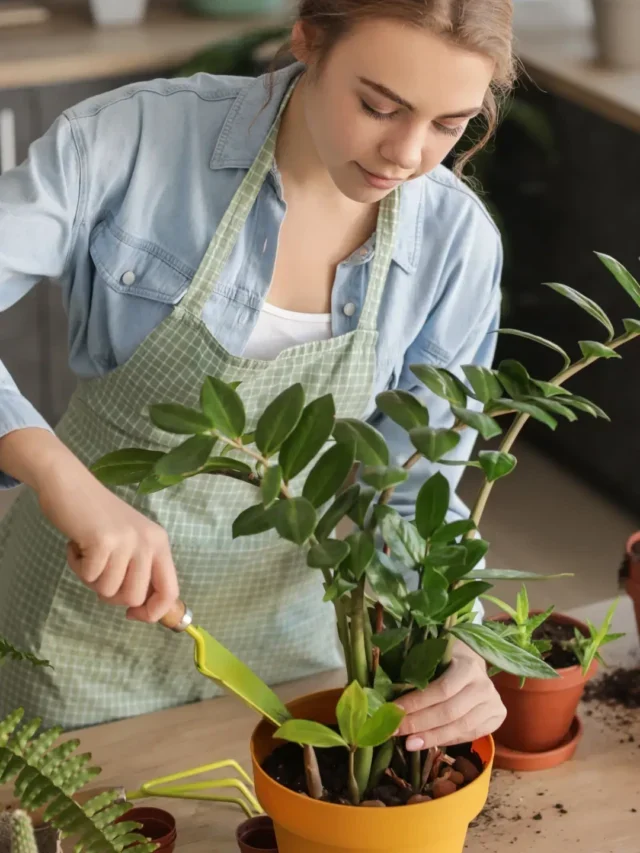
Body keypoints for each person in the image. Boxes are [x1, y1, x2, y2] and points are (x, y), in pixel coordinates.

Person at [0, 0, 512, 747]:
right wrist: (56, 473)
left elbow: (408, 496)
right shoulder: (127, 142)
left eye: (449, 124)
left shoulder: (454, 242)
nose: (406, 154)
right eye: (377, 105)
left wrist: (462, 633)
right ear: (306, 39)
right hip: (75, 631)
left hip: (293, 650)